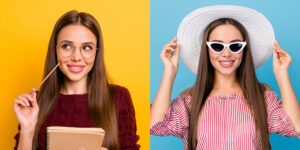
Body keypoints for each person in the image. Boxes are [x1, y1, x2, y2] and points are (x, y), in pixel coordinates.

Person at [150, 5, 300, 150]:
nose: (226, 54)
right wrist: (169, 72)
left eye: (235, 46)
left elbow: (296, 127)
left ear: (244, 49)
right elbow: (155, 125)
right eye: (217, 46)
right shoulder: (191, 100)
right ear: (207, 50)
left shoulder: (262, 97)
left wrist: (282, 74)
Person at [13, 10, 140, 150]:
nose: (76, 57)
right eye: (67, 46)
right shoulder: (34, 104)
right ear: (55, 50)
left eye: (87, 47)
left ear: (96, 53)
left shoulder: (118, 97)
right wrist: (27, 130)